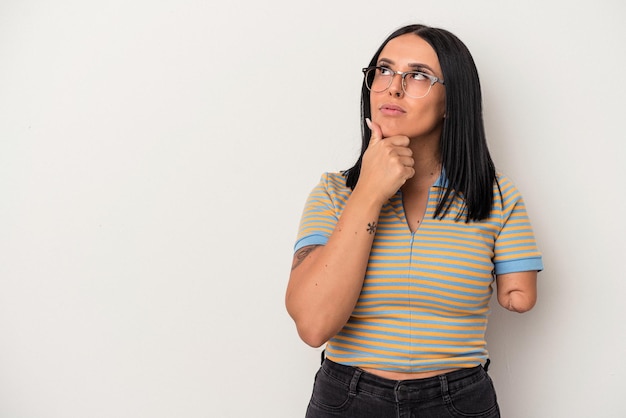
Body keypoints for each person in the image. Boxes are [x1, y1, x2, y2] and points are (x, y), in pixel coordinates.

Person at [285, 23, 543, 418]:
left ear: (452, 101)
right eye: (383, 71)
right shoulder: (334, 193)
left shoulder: (494, 196)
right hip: (347, 399)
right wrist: (369, 192)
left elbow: (520, 292)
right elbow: (314, 326)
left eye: (418, 75)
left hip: (458, 401)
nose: (393, 87)